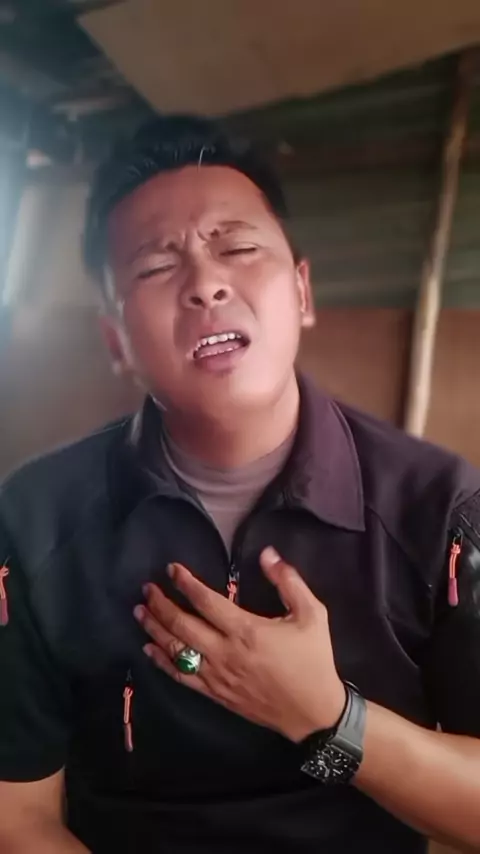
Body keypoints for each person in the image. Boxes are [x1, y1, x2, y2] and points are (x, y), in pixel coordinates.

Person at [0, 115, 479, 854]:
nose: (205, 284)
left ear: (302, 293)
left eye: (238, 247)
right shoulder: (34, 520)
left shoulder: (442, 511)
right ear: (115, 341)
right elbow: (16, 814)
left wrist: (330, 720)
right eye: (156, 267)